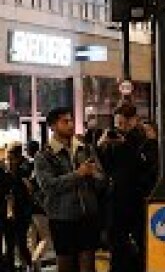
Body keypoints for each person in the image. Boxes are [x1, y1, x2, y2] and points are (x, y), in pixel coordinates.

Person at [33, 107, 105, 272]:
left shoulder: (84, 149)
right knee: (66, 264)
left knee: (88, 264)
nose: (70, 125)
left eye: (71, 120)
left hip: (87, 215)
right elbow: (49, 186)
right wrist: (78, 174)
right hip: (62, 219)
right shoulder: (44, 155)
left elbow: (102, 181)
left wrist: (95, 174)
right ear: (52, 126)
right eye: (65, 122)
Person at [98, 103, 155, 272]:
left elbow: (145, 167)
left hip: (136, 200)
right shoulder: (112, 144)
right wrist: (102, 145)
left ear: (134, 121)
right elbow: (104, 169)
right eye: (118, 125)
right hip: (116, 201)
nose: (121, 129)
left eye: (124, 124)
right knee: (117, 245)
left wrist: (127, 144)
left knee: (137, 246)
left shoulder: (142, 140)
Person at [6, 144, 35, 272]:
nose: (9, 160)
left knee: (21, 241)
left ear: (16, 155)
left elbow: (29, 187)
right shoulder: (17, 167)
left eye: (11, 157)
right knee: (17, 241)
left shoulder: (23, 167)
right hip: (17, 208)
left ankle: (29, 264)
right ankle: (24, 265)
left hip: (23, 209)